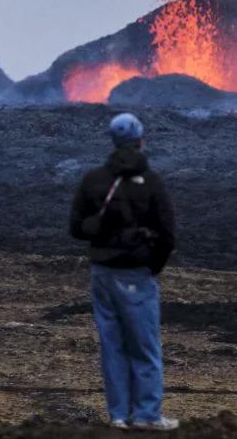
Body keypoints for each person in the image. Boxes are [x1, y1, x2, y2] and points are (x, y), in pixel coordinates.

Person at [69, 113, 178, 431]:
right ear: (141, 141)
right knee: (144, 345)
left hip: (102, 274)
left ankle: (118, 415)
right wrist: (151, 266)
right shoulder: (152, 183)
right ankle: (146, 415)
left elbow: (76, 228)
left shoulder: (93, 180)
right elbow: (168, 234)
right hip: (135, 275)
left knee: (112, 344)